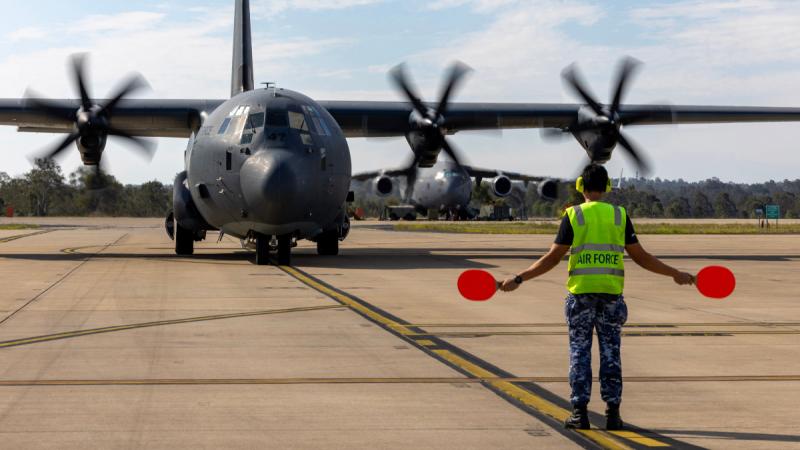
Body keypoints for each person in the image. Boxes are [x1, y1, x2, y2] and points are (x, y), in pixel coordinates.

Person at [498, 164, 695, 430]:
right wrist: (674, 273)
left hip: (581, 295)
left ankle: (580, 413)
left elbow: (552, 258)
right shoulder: (619, 215)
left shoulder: (574, 215)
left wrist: (519, 278)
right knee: (611, 352)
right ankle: (613, 414)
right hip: (611, 295)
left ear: (580, 186)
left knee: (580, 351)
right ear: (607, 187)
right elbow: (641, 257)